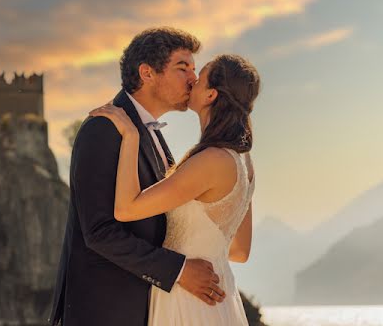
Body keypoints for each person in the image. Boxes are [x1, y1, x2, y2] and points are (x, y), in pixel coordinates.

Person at [49, 28, 226, 326]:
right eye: (182, 68)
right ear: (147, 73)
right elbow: (100, 231)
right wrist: (179, 271)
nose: (193, 79)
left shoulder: (149, 133)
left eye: (194, 69)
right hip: (103, 312)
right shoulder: (104, 129)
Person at [90, 53, 259, 325]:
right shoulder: (243, 161)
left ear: (210, 95)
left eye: (199, 77)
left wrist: (131, 136)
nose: (191, 80)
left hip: (188, 299)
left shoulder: (212, 160)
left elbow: (125, 209)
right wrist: (201, 251)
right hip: (216, 295)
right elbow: (240, 250)